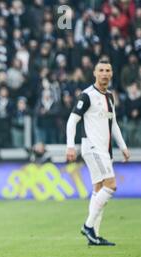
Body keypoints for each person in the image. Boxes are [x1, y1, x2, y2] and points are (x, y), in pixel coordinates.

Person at [66, 58, 130, 246]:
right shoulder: (87, 95)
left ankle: (94, 235)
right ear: (94, 73)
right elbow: (72, 121)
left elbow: (114, 123)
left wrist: (123, 146)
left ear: (111, 74)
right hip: (93, 147)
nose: (104, 73)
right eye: (100, 70)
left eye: (107, 70)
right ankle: (88, 226)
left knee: (99, 189)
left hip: (104, 149)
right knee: (111, 185)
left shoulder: (110, 96)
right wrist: (70, 145)